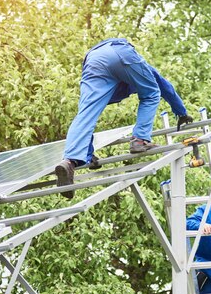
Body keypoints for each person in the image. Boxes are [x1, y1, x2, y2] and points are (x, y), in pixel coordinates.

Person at [55, 37, 193, 198]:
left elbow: (87, 116)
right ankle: (140, 139)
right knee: (151, 93)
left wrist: (88, 154)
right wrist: (181, 112)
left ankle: (70, 161)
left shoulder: (108, 78)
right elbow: (164, 86)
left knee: (86, 114)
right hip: (118, 51)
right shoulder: (141, 68)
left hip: (92, 60)